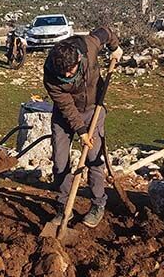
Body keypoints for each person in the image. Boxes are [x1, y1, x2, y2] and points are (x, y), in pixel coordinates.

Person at [43, 27, 123, 228]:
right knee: (60, 162)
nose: (68, 75)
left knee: (94, 159)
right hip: (65, 116)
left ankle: (98, 204)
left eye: (71, 71)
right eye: (64, 74)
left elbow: (106, 31)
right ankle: (64, 207)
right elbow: (67, 107)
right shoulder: (51, 75)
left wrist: (115, 47)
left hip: (93, 109)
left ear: (78, 60)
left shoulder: (88, 46)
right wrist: (81, 131)